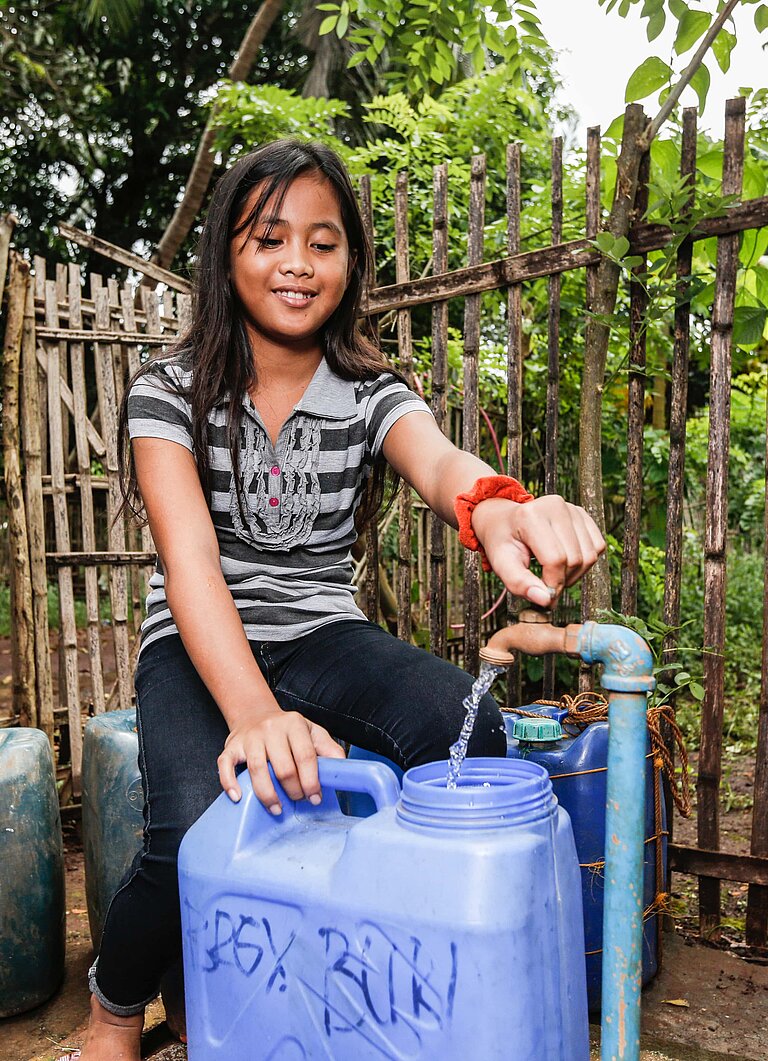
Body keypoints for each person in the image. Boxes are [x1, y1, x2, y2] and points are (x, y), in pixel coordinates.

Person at [77, 139, 604, 1060]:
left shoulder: (371, 392)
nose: (297, 263)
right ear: (225, 251)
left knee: (466, 736)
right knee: (197, 825)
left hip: (323, 628)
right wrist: (253, 714)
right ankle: (118, 1010)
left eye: (323, 243)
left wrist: (504, 507)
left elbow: (441, 463)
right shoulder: (165, 391)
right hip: (199, 637)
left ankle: (388, 964)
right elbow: (192, 560)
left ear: (352, 262)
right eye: (270, 236)